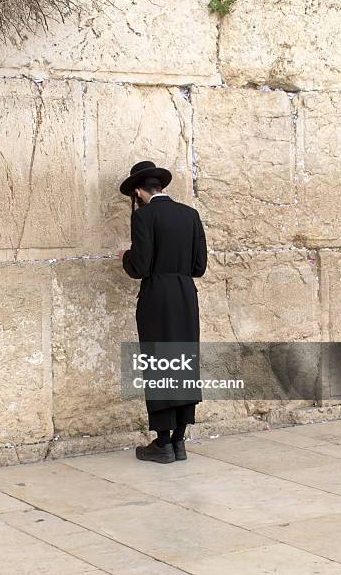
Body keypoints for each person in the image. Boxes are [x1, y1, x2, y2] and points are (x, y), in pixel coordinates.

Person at [119, 160, 208, 464]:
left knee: (159, 363)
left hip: (157, 297)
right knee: (183, 362)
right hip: (185, 296)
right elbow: (199, 267)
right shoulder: (190, 215)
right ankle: (179, 442)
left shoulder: (144, 216)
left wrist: (126, 257)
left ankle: (161, 444)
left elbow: (139, 266)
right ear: (161, 187)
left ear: (139, 191)